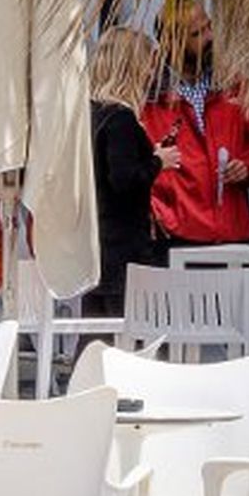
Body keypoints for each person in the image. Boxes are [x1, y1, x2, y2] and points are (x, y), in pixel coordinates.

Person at [139, 3, 249, 247]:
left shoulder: (235, 85)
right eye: (197, 33)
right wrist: (154, 207)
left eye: (209, 26)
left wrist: (247, 166)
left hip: (236, 233)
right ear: (171, 42)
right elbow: (128, 164)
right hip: (176, 235)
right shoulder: (147, 96)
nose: (210, 36)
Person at [86, 28, 177, 316]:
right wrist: (157, 161)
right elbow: (124, 180)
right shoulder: (121, 118)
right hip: (121, 247)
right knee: (125, 331)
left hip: (96, 243)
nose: (152, 74)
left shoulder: (93, 114)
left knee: (96, 335)